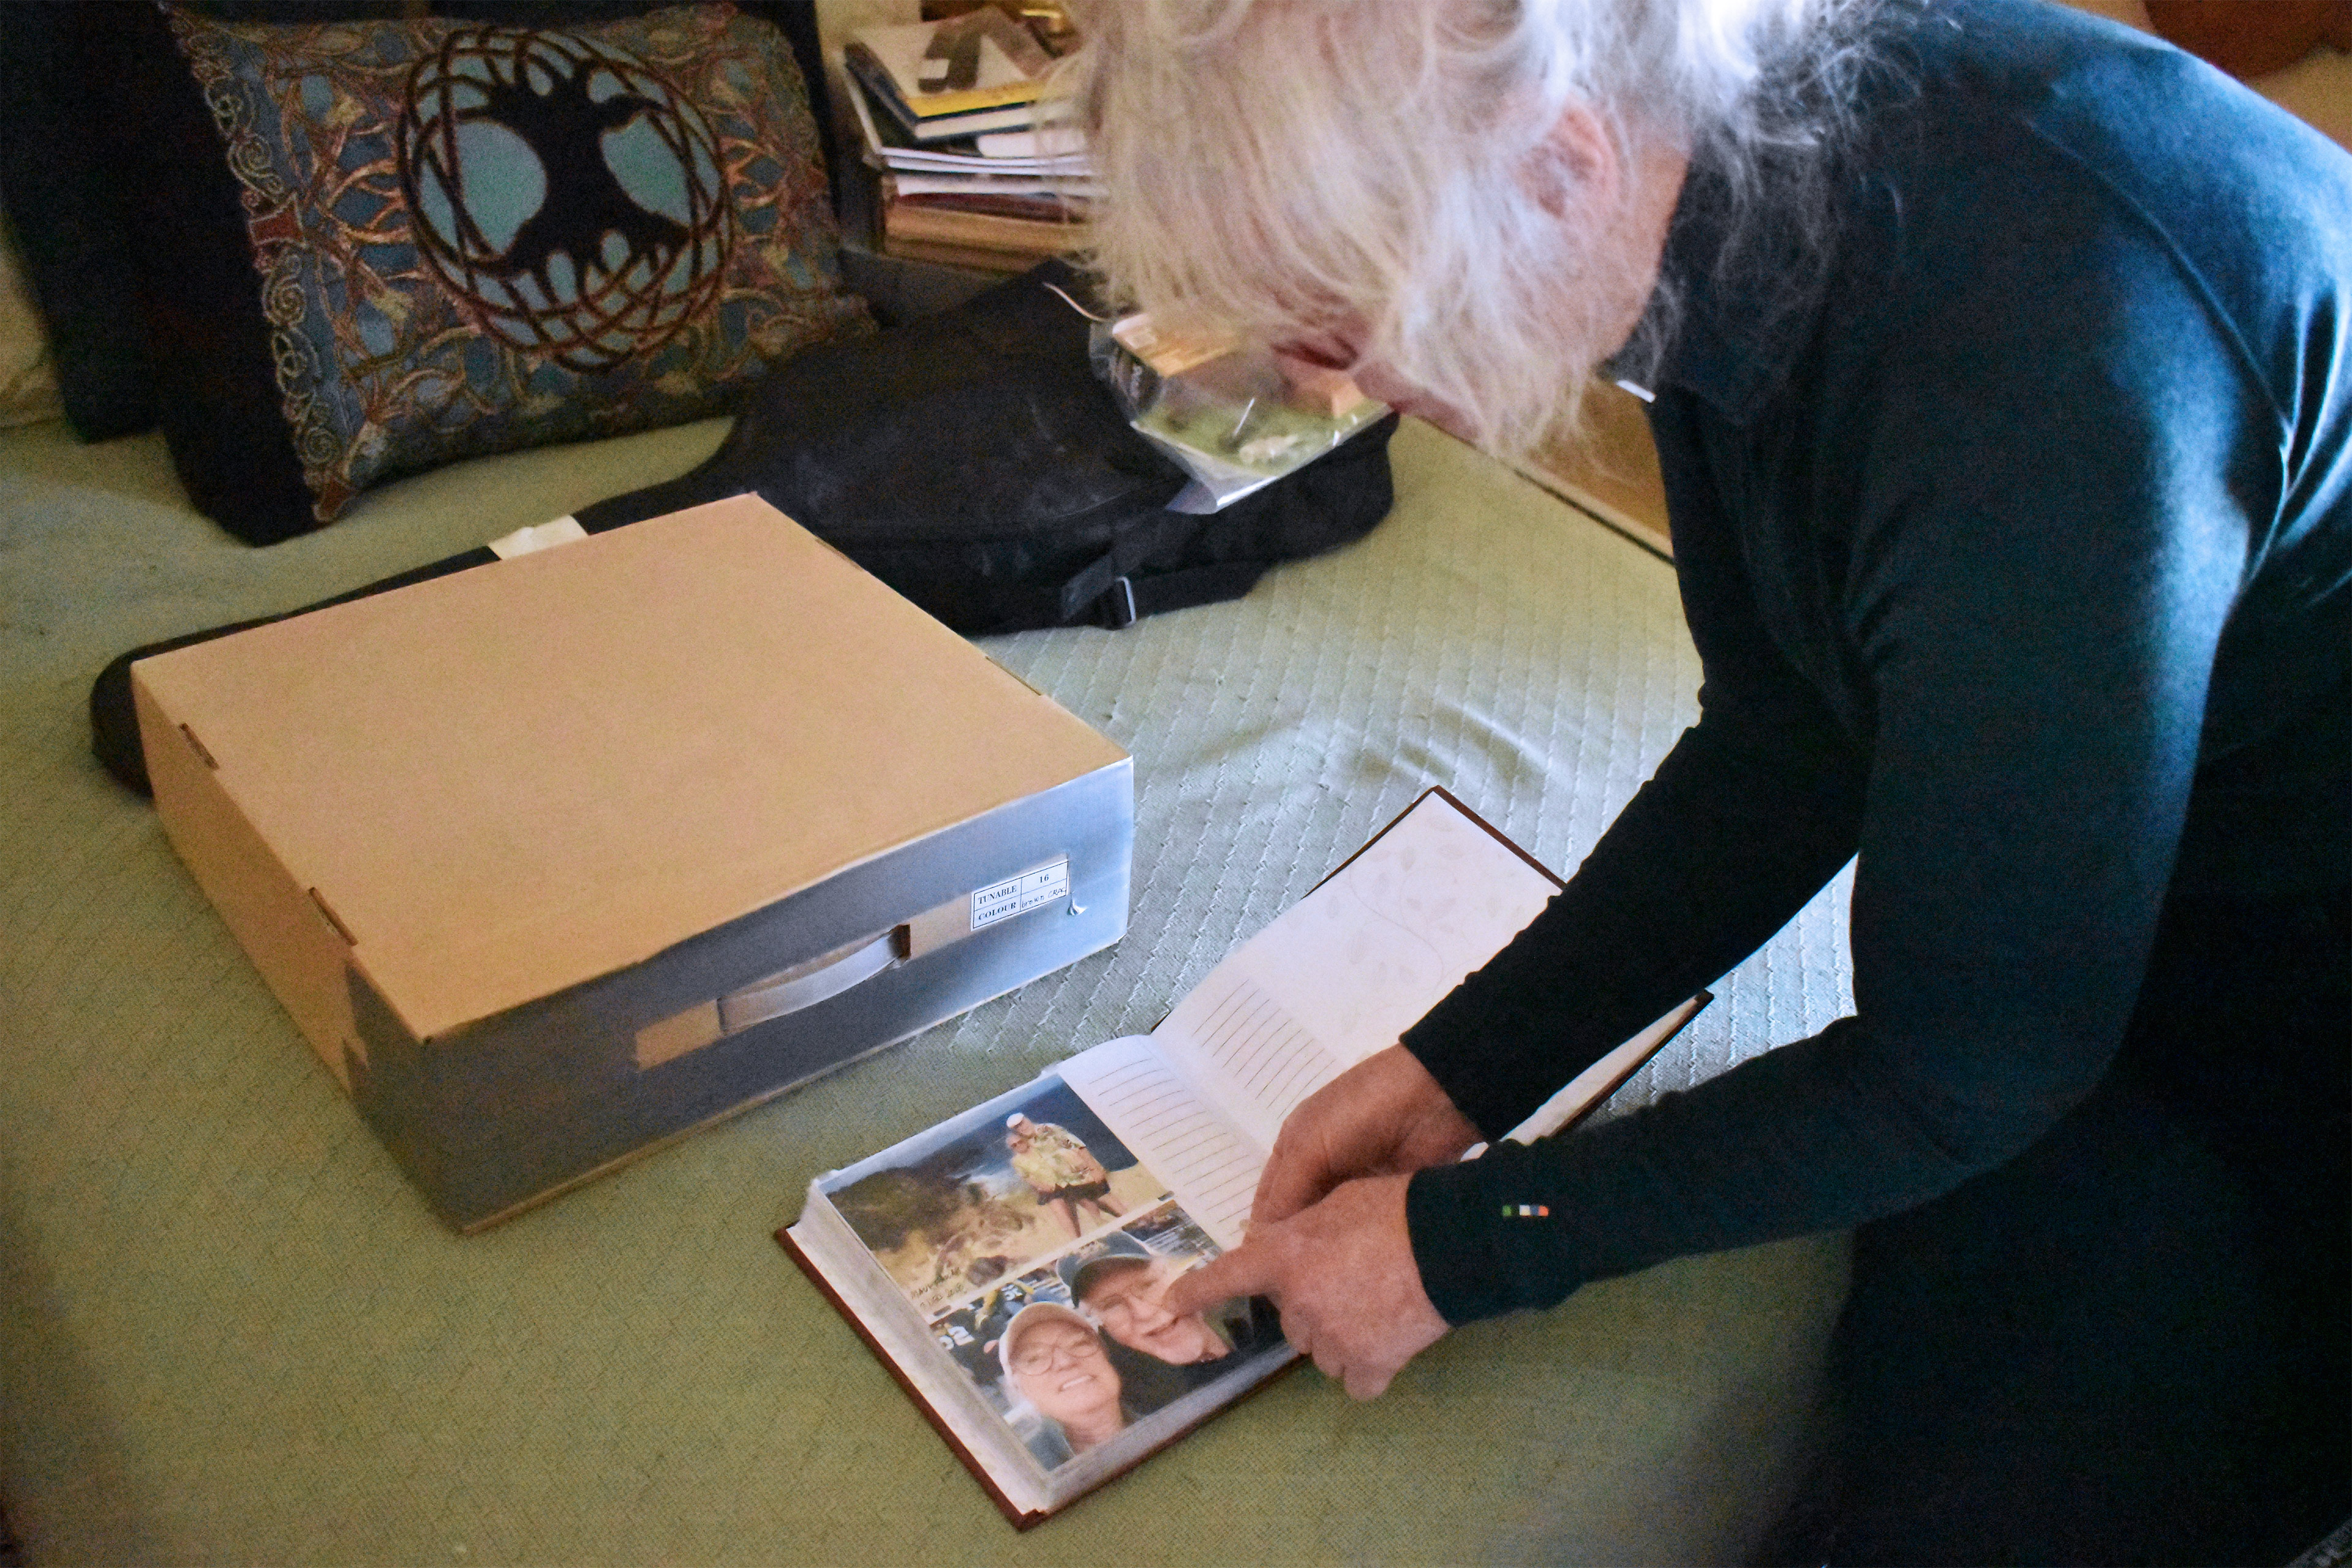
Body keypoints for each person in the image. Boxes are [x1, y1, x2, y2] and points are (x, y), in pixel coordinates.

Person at [1066, 0, 2351, 1561]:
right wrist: (1461, 1064)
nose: (1330, 389)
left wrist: (1472, 1244)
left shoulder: (2029, 379)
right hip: (2138, 809)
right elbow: (1791, 731)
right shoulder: (1714, 175)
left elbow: (1979, 1064)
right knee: (1919, 1366)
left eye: (1338, 328)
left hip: (2300, 944)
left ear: (1558, 166)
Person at [1059, 1234, 1281, 1411]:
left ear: (1180, 1276)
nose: (1144, 1313)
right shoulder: (1141, 1407)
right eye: (1111, 1305)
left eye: (1149, 1285)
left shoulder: (1266, 1308)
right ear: (1103, 1328)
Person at [997, 1300, 1130, 1466]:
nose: (1065, 1362)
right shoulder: (1020, 1472)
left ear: (1106, 1356)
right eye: (1035, 1359)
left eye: (1078, 1344)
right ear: (1020, 1390)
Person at [1005, 1112, 1127, 1240]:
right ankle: (1124, 1226)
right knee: (1094, 1205)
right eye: (1017, 1127)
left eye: (1022, 1123)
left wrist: (1094, 1169)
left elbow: (1077, 1145)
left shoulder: (1049, 1129)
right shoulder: (1028, 1142)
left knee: (1106, 1199)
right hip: (1068, 1182)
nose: (1022, 1128)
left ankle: (1136, 1220)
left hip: (1083, 1174)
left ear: (1028, 1119)